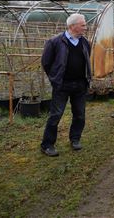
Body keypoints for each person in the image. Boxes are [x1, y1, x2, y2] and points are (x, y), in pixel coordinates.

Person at [40, 14, 91, 157]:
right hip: (62, 85)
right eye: (83, 25)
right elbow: (46, 62)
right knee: (56, 115)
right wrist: (55, 79)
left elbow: (87, 60)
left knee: (80, 115)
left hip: (80, 85)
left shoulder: (85, 42)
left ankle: (75, 139)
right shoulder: (55, 42)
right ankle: (47, 145)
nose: (85, 27)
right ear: (72, 26)